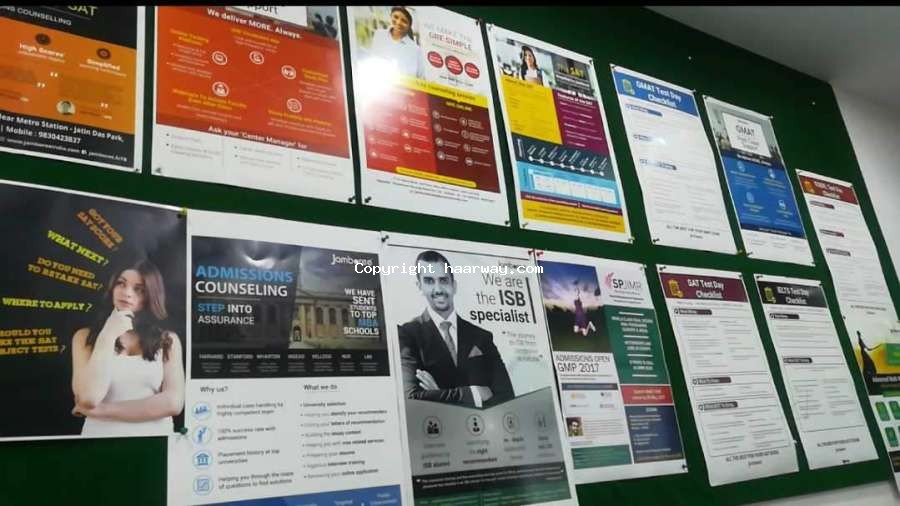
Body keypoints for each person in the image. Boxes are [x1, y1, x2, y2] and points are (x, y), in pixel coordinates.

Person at [71, 259, 184, 436]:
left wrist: (102, 410)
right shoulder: (84, 337)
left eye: (139, 289)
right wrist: (108, 334)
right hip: (99, 440)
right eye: (121, 284)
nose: (127, 293)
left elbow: (173, 403)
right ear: (112, 287)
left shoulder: (168, 340)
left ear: (150, 295)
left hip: (154, 441)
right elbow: (89, 398)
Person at [398, 250, 514, 408]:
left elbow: (506, 397)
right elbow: (412, 398)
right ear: (420, 287)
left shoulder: (482, 337)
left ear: (454, 286)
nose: (438, 289)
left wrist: (438, 393)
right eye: (429, 281)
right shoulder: (408, 335)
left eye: (444, 280)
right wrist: (474, 394)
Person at [368, 6, 423, 78]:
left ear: (409, 26)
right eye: (396, 17)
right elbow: (372, 59)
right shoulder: (379, 35)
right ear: (391, 16)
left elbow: (420, 78)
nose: (398, 22)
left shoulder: (416, 50)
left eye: (404, 21)